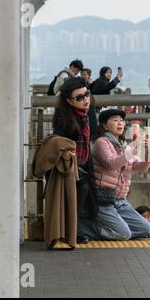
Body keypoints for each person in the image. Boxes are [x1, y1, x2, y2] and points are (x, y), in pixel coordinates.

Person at [78, 109, 150, 241]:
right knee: (124, 234)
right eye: (115, 120)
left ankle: (114, 228)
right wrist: (133, 150)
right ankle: (81, 227)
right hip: (102, 200)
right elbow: (111, 163)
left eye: (122, 120)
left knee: (144, 228)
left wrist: (149, 152)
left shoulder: (124, 146)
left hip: (120, 201)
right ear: (105, 125)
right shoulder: (101, 143)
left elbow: (141, 168)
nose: (120, 123)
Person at [52, 77, 98, 239]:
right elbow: (58, 142)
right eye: (79, 98)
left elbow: (92, 134)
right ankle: (73, 228)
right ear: (69, 101)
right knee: (83, 187)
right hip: (65, 166)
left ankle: (74, 226)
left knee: (88, 188)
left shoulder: (89, 111)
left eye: (86, 94)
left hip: (84, 164)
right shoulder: (63, 117)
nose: (85, 100)